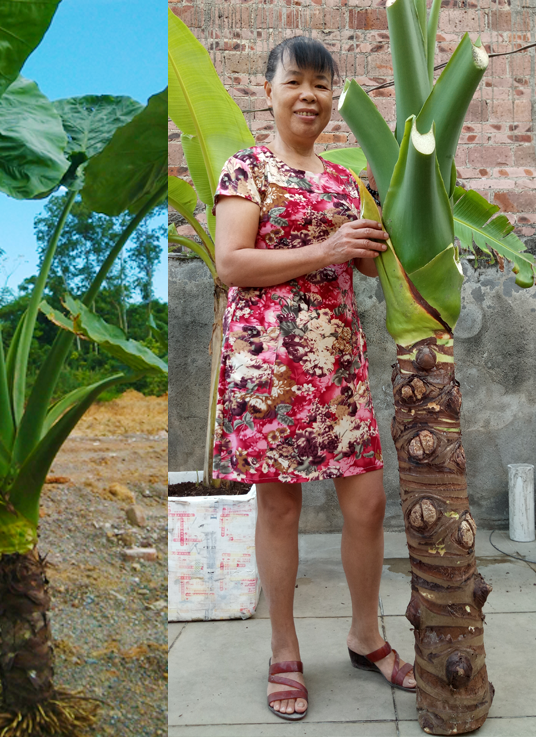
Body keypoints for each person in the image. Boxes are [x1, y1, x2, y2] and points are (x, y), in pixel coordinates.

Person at [212, 36, 416, 721]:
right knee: (281, 509)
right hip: (268, 368)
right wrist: (326, 248)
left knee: (367, 505)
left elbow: (364, 261)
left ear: (334, 98)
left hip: (338, 368)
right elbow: (232, 264)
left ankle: (365, 635)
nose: (310, 95)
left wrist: (383, 228)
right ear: (267, 89)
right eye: (295, 81)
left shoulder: (343, 180)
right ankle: (284, 649)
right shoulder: (248, 169)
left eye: (322, 85)